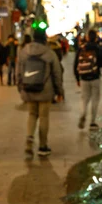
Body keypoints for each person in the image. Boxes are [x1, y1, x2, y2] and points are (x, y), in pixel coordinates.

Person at [17, 28, 64, 157]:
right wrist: (60, 91)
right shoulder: (49, 53)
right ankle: (43, 146)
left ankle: (29, 139)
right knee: (43, 116)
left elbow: (19, 72)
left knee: (32, 114)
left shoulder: (24, 52)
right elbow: (57, 73)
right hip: (45, 90)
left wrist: (20, 87)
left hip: (29, 88)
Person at [74, 29, 102, 131]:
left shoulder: (81, 48)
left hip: (83, 77)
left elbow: (75, 64)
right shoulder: (98, 48)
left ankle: (83, 113)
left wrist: (77, 78)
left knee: (84, 99)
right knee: (95, 100)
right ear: (95, 37)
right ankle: (92, 122)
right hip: (95, 77)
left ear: (87, 37)